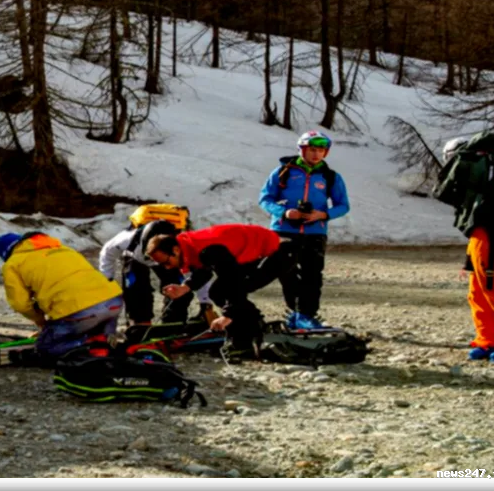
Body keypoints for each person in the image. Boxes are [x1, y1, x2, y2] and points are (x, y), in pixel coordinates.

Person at [145, 223, 297, 358]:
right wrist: (185, 287)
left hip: (278, 252)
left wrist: (228, 315)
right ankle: (253, 328)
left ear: (175, 250)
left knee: (232, 289)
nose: (167, 267)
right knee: (218, 292)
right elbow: (205, 271)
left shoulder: (208, 249)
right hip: (254, 253)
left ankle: (248, 336)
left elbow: (233, 280)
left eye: (166, 262)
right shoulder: (189, 246)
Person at [258, 130, 350, 330]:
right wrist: (284, 212)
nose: (317, 154)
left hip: (315, 232)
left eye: (321, 150)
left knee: (312, 275)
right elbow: (265, 199)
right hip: (284, 231)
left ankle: (307, 315)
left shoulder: (330, 177)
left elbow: (343, 205)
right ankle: (295, 311)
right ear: (302, 149)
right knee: (286, 273)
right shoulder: (283, 171)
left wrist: (323, 215)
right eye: (312, 150)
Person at [0, 231, 125, 359]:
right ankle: (105, 338)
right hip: (113, 301)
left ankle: (91, 343)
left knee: (45, 348)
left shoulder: (13, 263)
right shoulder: (64, 250)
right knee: (89, 327)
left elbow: (21, 305)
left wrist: (42, 322)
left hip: (79, 311)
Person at [433, 132, 494, 363]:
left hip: (491, 232)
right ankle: (487, 339)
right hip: (479, 234)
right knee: (477, 292)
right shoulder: (476, 181)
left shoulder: (487, 173)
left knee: (493, 287)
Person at [98, 219, 217, 325]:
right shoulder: (126, 240)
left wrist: (205, 304)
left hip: (168, 257)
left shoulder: (180, 246)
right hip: (135, 258)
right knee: (135, 287)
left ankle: (173, 322)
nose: (163, 266)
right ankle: (141, 323)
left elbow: (199, 274)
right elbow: (107, 253)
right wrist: (107, 278)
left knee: (179, 288)